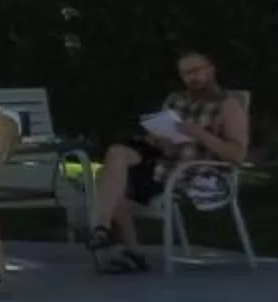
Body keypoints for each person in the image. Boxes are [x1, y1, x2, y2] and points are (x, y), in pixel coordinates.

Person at [90, 51, 251, 273]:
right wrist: (158, 140)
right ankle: (102, 228)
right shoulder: (176, 100)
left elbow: (237, 155)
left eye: (196, 71)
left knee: (110, 180)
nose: (191, 77)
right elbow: (160, 137)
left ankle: (130, 249)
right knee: (115, 155)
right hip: (164, 164)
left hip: (195, 172)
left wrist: (200, 134)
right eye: (185, 73)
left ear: (211, 70)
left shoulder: (228, 105)